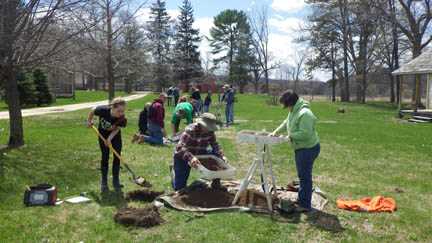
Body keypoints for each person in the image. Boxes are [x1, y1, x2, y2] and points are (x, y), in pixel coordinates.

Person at [270, 90, 320, 213]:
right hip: (301, 148)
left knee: (304, 177)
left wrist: (290, 136)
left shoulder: (305, 113)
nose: (287, 109)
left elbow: (305, 134)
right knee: (302, 175)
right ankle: (302, 199)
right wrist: (276, 131)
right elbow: (286, 121)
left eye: (287, 106)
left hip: (308, 149)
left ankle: (305, 205)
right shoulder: (294, 110)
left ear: (291, 103)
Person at [172, 113, 224, 191]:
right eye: (206, 127)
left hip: (200, 152)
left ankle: (216, 183)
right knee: (180, 187)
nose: (208, 129)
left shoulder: (210, 132)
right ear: (201, 124)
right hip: (183, 155)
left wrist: (221, 155)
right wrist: (191, 158)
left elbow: (215, 144)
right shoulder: (190, 130)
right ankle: (173, 173)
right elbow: (180, 147)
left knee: (217, 158)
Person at [87, 98, 127, 192]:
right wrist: (89, 120)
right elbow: (92, 110)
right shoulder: (103, 110)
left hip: (115, 136)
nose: (121, 113)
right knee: (105, 156)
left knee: (117, 156)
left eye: (123, 111)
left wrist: (109, 139)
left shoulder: (122, 118)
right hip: (102, 135)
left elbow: (117, 129)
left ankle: (115, 181)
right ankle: (104, 182)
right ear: (113, 107)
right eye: (119, 111)